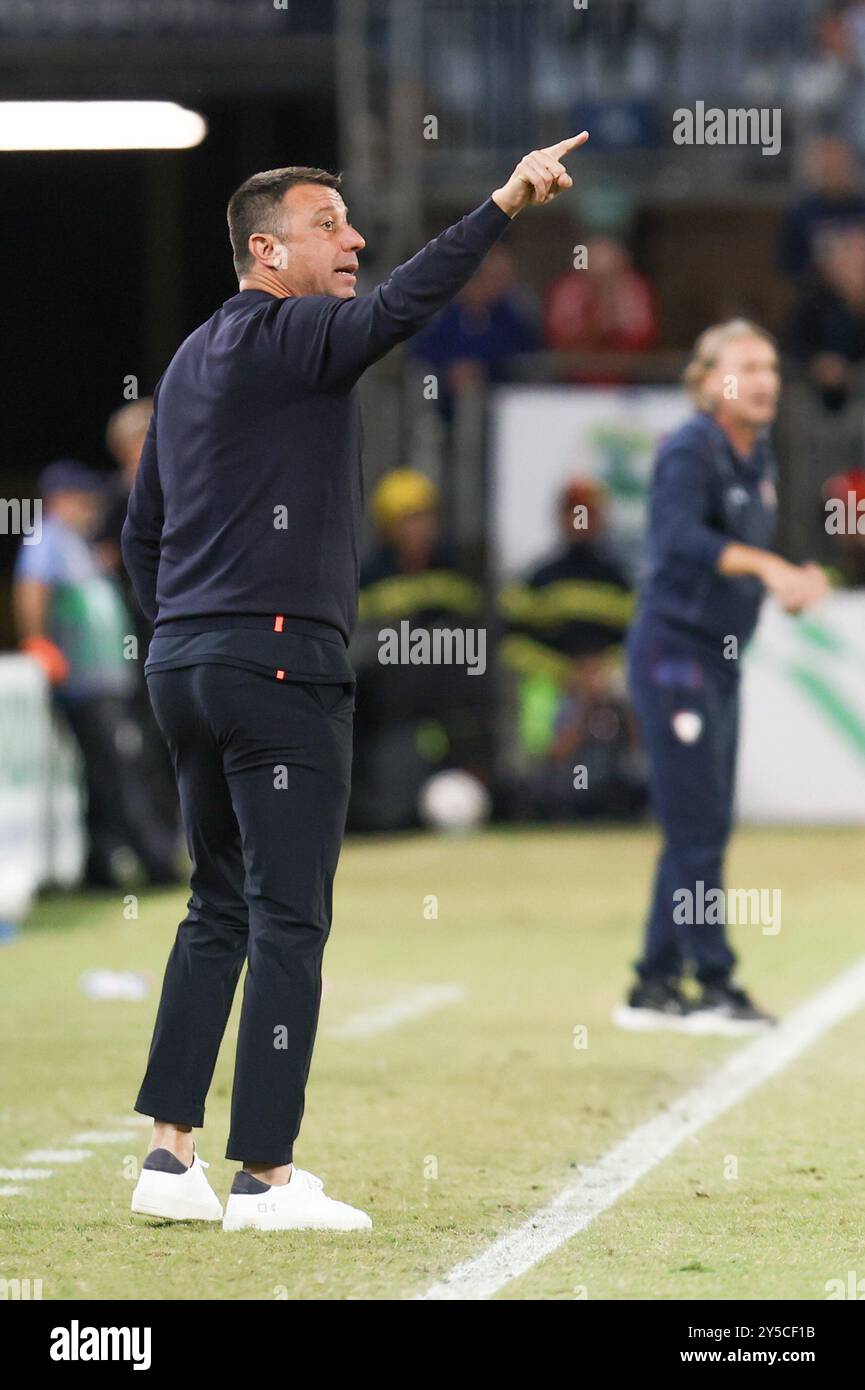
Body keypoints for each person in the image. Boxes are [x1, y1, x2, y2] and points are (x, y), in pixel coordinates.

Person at [122, 136, 590, 1232]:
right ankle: (266, 1178)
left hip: (190, 663)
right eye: (332, 227)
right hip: (276, 661)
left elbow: (143, 530)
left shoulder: (189, 359)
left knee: (215, 906)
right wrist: (500, 206)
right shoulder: (288, 334)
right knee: (290, 917)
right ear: (268, 249)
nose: (356, 242)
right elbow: (396, 310)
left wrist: (181, 635)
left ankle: (166, 1156)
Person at [616, 320, 829, 1035]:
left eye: (770, 365)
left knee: (696, 825)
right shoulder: (690, 448)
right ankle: (711, 981)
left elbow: (733, 552)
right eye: (745, 366)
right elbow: (678, 536)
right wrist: (769, 568)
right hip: (674, 656)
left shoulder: (754, 450)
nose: (764, 379)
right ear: (706, 382)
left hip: (716, 658)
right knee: (697, 827)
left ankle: (652, 982)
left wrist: (786, 581)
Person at [13, 460, 179, 888]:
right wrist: (38, 641)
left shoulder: (76, 543)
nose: (91, 508)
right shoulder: (46, 539)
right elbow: (31, 591)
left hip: (105, 679)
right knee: (118, 769)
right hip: (83, 682)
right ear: (62, 500)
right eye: (84, 500)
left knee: (105, 773)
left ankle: (99, 867)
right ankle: (156, 862)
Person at [350, 469, 487, 832]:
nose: (417, 528)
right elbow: (361, 653)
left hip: (453, 719)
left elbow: (475, 643)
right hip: (392, 721)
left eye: (424, 517)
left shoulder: (456, 573)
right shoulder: (369, 579)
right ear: (387, 525)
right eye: (407, 519)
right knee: (392, 815)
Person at [498, 479, 642, 820]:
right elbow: (512, 644)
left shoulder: (619, 579)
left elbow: (640, 640)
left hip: (609, 681)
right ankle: (545, 787)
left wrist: (602, 670)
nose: (581, 520)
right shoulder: (537, 579)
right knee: (539, 707)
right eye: (573, 512)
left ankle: (635, 779)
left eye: (588, 512)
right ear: (561, 518)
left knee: (635, 690)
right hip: (554, 683)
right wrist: (566, 673)